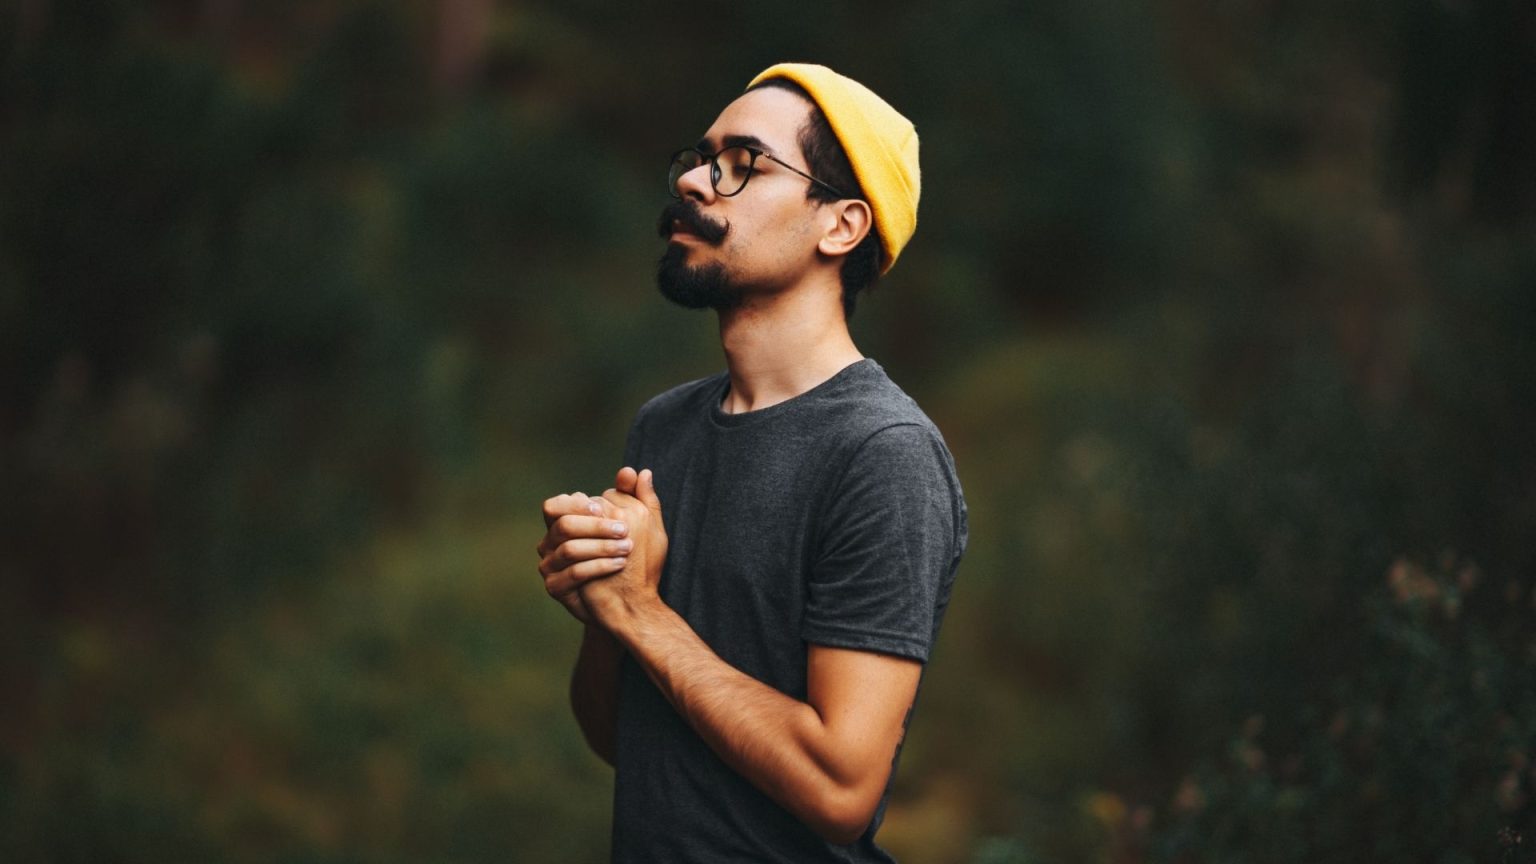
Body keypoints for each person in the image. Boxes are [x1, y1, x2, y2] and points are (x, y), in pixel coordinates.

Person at [535, 62, 967, 862]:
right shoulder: (664, 426)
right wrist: (605, 607)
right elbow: (621, 740)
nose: (694, 181)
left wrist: (642, 615)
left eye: (744, 165)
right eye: (701, 158)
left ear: (841, 226)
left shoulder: (882, 454)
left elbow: (842, 793)